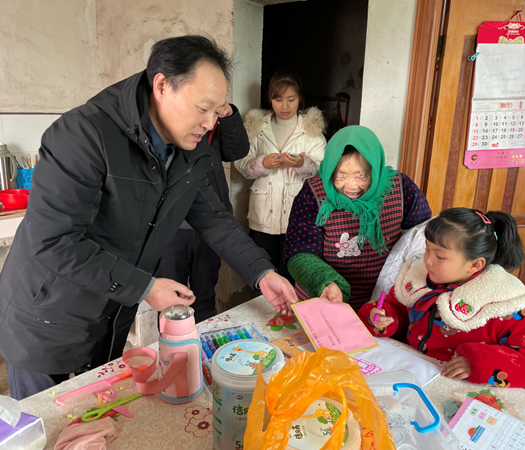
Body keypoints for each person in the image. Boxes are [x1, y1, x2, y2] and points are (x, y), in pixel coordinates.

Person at [0, 35, 296, 400]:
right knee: (47, 420)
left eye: (217, 112)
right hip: (45, 318)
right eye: (203, 109)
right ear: (162, 86)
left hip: (109, 316)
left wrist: (263, 273)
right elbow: (54, 242)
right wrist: (145, 287)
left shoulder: (188, 150)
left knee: (98, 413)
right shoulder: (83, 134)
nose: (209, 124)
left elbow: (215, 219)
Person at [358, 208, 525, 388]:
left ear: (475, 265)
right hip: (408, 372)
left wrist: (479, 363)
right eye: (427, 249)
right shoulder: (420, 278)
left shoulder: (503, 304)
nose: (428, 261)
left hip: (459, 387)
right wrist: (385, 317)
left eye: (440, 256)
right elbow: (399, 309)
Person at [283, 125, 432, 311]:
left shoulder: (402, 188)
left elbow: (421, 238)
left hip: (382, 302)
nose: (351, 186)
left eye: (361, 177)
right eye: (341, 176)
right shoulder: (313, 194)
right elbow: (300, 252)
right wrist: (327, 283)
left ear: (375, 169)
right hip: (325, 298)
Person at [155, 102, 249, 323]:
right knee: (171, 300)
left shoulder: (210, 124)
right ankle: (172, 343)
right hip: (169, 228)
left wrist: (229, 116)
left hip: (209, 226)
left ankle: (202, 341)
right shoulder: (162, 125)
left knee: (205, 293)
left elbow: (237, 151)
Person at [235, 70, 326, 282]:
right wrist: (262, 164)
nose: (285, 106)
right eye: (278, 99)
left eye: (291, 99)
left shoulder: (311, 130)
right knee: (262, 274)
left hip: (299, 216)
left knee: (294, 274)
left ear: (300, 99)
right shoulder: (257, 127)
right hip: (263, 217)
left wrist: (302, 164)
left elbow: (323, 170)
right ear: (270, 99)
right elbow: (240, 163)